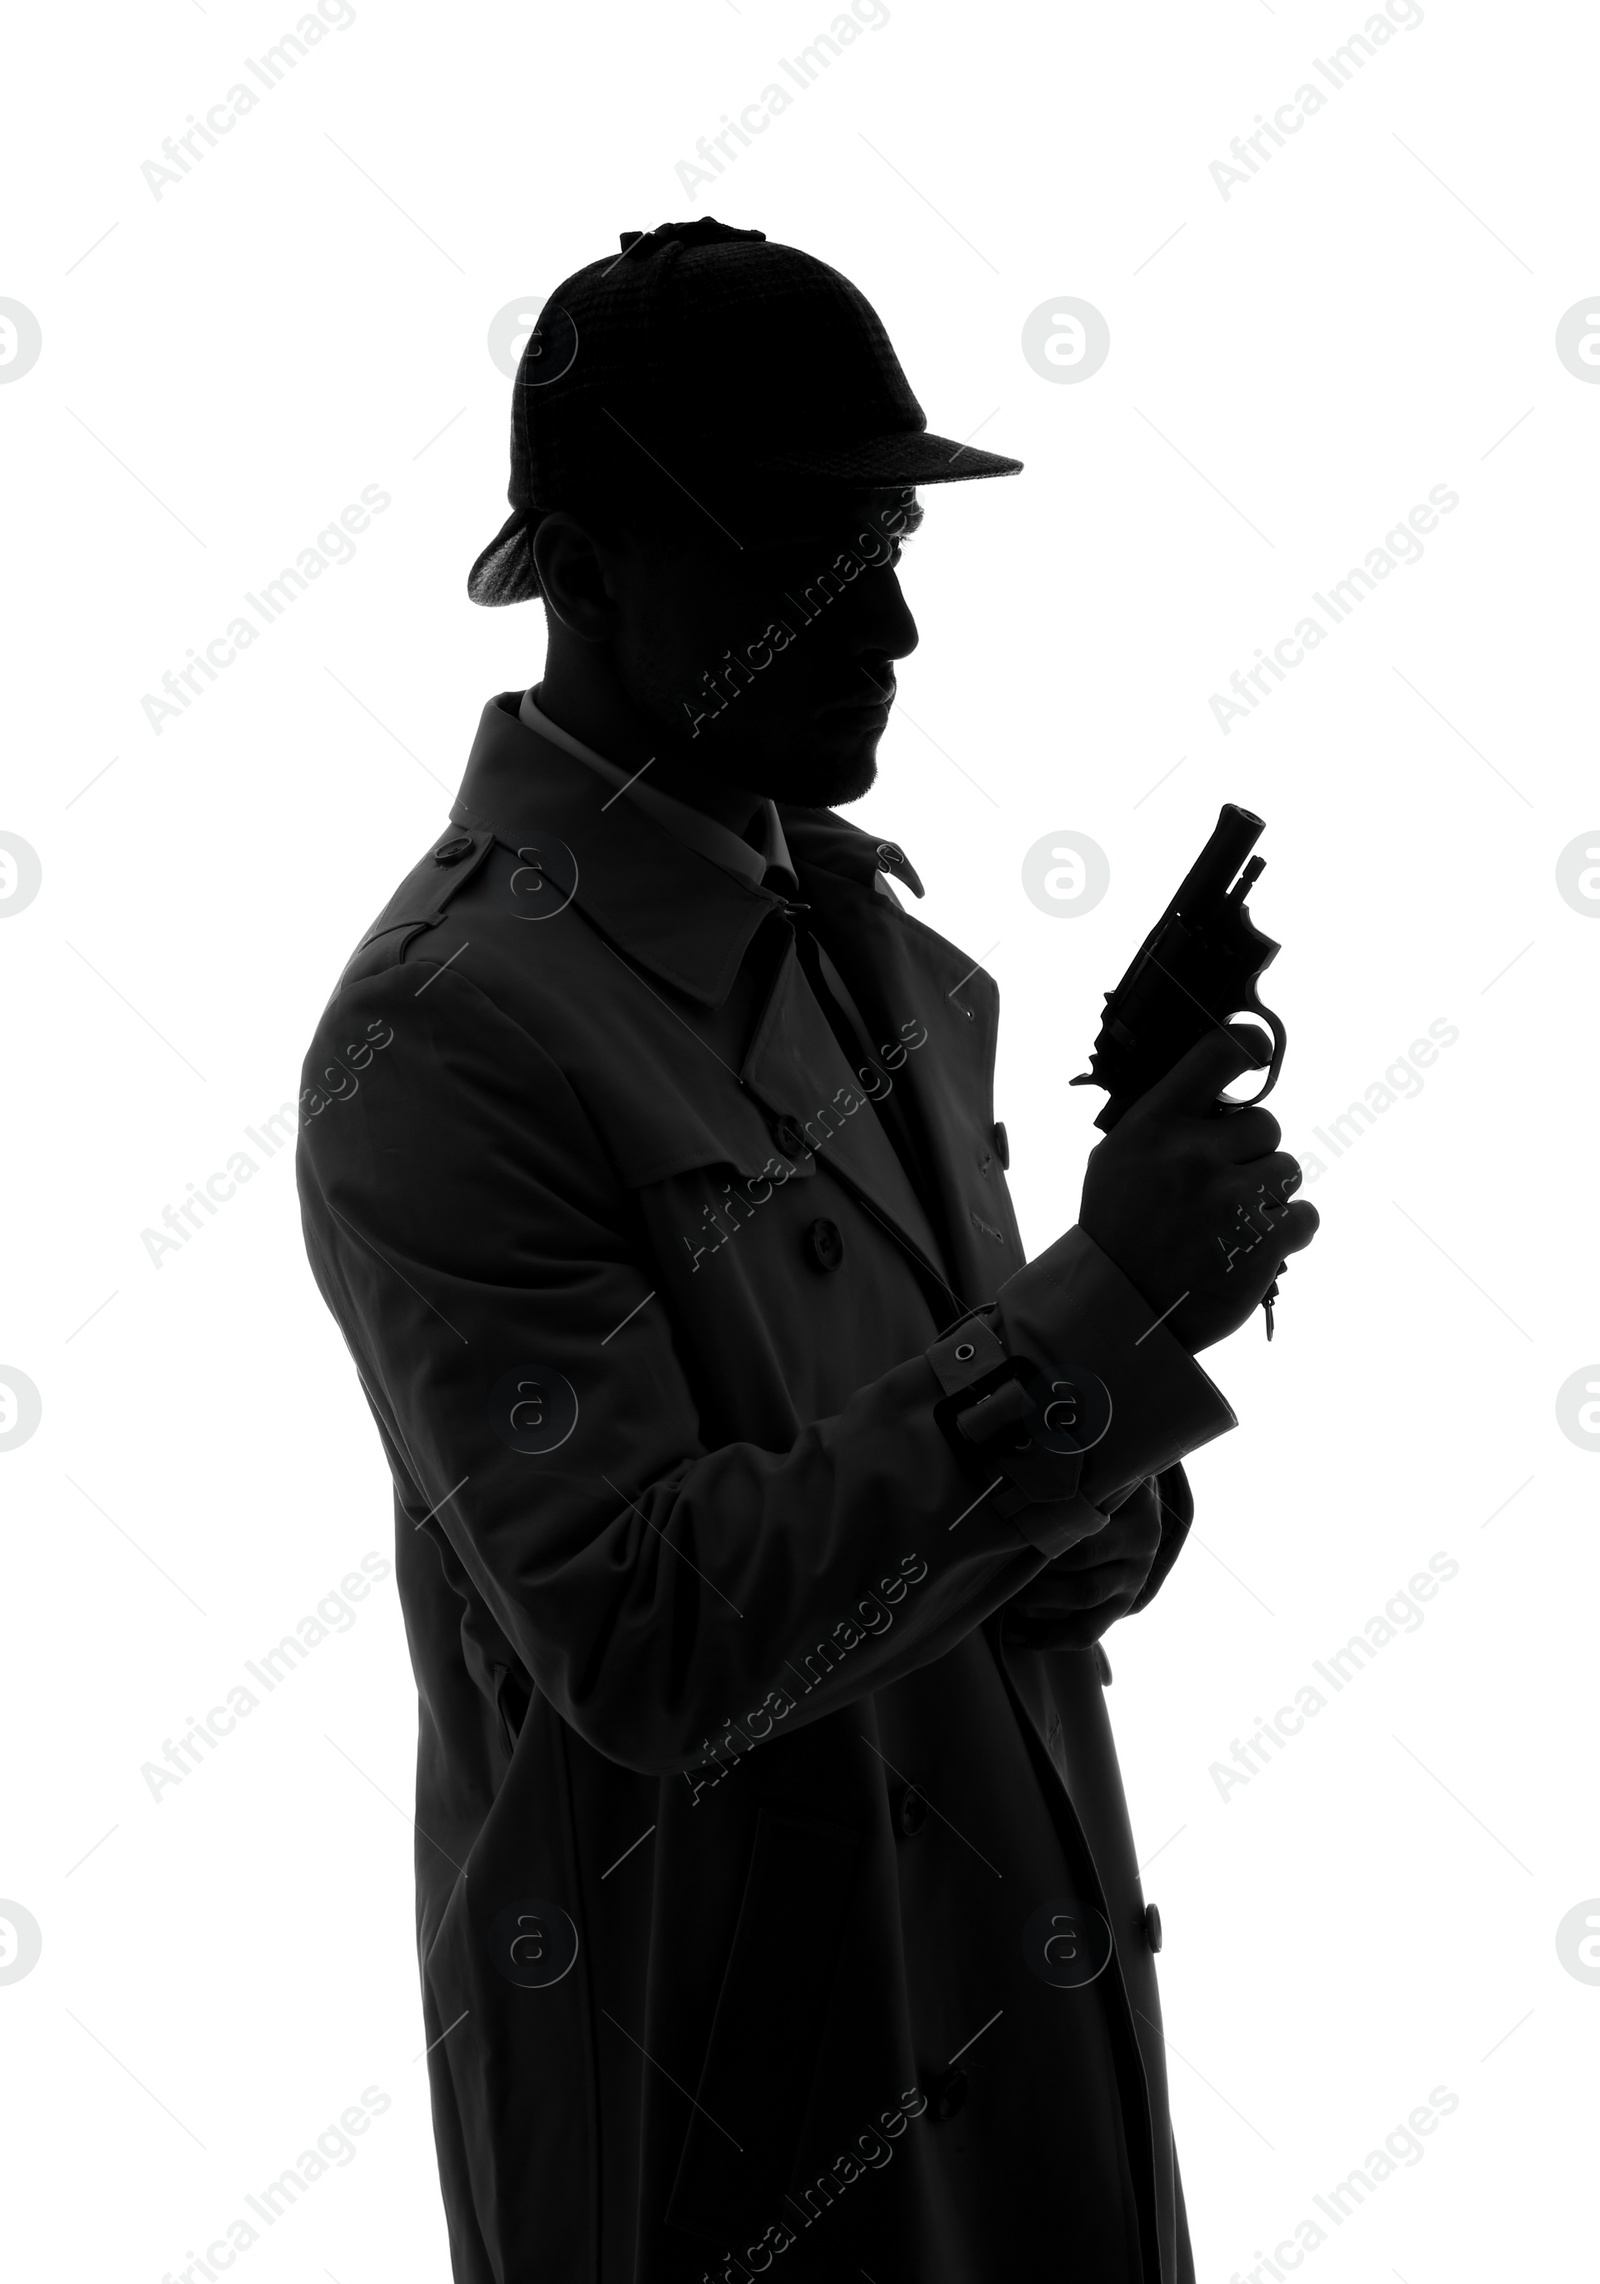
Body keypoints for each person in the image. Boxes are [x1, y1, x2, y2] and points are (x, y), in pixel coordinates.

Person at [295, 217, 1317, 2284]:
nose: (891, 628)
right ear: (577, 569)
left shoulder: (884, 963)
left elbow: (1056, 1547)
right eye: (796, 549)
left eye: (882, 539)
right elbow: (655, 1640)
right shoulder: (446, 1033)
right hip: (726, 2164)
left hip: (1031, 2096)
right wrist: (1099, 1317)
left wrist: (1127, 1346)